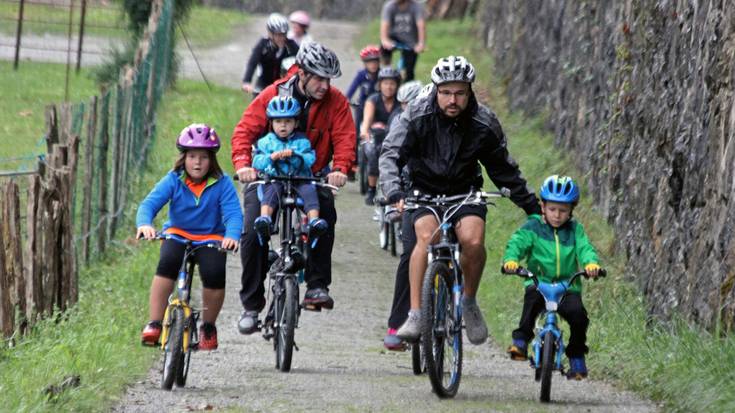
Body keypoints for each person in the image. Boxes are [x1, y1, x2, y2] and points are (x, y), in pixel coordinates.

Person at [379, 56, 542, 347]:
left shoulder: (483, 123)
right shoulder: (416, 115)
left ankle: (468, 301)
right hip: (423, 191)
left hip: (465, 193)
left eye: (459, 93)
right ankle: (415, 313)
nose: (452, 100)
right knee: (427, 237)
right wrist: (394, 193)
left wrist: (531, 206)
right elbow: (391, 153)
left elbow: (503, 169)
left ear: (470, 92)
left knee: (473, 240)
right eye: (445, 92)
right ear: (436, 90)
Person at [231, 41, 355, 334]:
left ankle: (316, 285)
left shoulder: (336, 102)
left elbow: (345, 138)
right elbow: (244, 131)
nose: (325, 85)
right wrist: (242, 164)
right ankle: (251, 304)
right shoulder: (273, 94)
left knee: (324, 213)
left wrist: (340, 169)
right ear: (302, 73)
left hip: (310, 176)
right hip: (268, 175)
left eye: (329, 79)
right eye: (319, 78)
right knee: (251, 231)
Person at [137, 124, 243, 351]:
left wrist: (232, 236)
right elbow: (149, 204)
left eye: (203, 157)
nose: (197, 162)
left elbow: (233, 213)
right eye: (192, 156)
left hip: (211, 237)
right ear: (183, 158)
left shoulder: (222, 183)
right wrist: (145, 224)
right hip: (177, 233)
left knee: (214, 272)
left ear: (211, 160)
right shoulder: (173, 179)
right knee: (167, 263)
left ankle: (208, 327)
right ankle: (154, 323)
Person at [502, 175, 601, 380]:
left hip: (567, 286)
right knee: (531, 303)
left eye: (563, 211)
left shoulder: (575, 230)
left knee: (579, 317)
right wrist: (511, 260)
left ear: (571, 211)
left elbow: (585, 249)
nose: (557, 215)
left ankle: (576, 357)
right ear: (543, 206)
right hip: (539, 282)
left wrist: (591, 264)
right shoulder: (534, 226)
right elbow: (517, 243)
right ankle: (521, 341)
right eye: (553, 209)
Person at [252, 96, 328, 245]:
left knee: (309, 191)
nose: (283, 126)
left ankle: (314, 222)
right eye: (278, 121)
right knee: (271, 191)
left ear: (296, 123)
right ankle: (265, 221)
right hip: (277, 179)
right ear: (271, 123)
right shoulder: (265, 142)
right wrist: (270, 158)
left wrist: (296, 155)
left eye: (288, 121)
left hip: (299, 179)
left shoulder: (302, 141)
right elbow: (256, 161)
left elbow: (310, 159)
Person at [360, 66, 401, 205]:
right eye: (385, 83)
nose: (389, 87)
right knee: (372, 153)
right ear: (380, 84)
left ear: (397, 85)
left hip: (394, 136)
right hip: (374, 135)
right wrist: (365, 132)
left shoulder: (400, 103)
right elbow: (367, 120)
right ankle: (371, 189)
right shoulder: (373, 100)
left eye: (392, 83)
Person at [241, 13, 299, 96]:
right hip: (263, 85)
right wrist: (246, 81)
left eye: (284, 35)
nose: (282, 38)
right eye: (278, 35)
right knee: (257, 106)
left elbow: (301, 60)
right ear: (270, 34)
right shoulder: (262, 45)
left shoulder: (291, 45)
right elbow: (252, 63)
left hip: (283, 86)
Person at [345, 45, 381, 176]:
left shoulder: (382, 75)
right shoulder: (361, 75)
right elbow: (351, 90)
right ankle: (353, 165)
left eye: (375, 61)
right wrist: (347, 99)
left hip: (377, 109)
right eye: (369, 62)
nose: (373, 64)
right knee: (355, 134)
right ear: (364, 63)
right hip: (361, 108)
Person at [379, 0, 426, 81]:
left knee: (409, 72)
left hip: (410, 43)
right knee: (384, 49)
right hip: (394, 39)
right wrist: (384, 40)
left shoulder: (416, 6)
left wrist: (421, 43)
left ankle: (408, 87)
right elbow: (384, 25)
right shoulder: (389, 6)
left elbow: (421, 25)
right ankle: (385, 71)